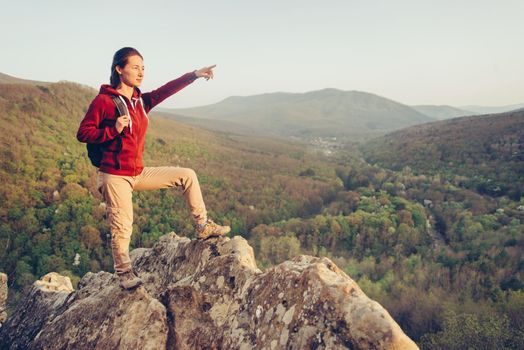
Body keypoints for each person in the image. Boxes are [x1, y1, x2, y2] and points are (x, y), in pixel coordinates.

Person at [77, 47, 230, 290]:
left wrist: (194, 75)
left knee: (187, 175)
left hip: (137, 172)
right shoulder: (104, 101)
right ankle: (124, 273)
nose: (141, 72)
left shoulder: (140, 100)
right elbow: (83, 133)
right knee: (123, 225)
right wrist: (113, 129)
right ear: (119, 68)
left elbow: (165, 91)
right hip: (115, 175)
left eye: (143, 68)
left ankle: (203, 226)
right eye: (135, 67)